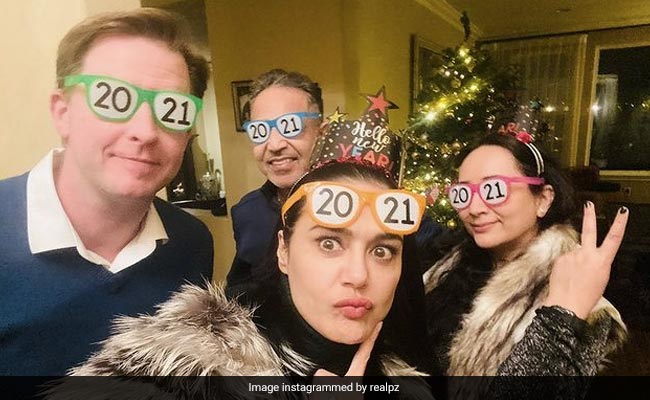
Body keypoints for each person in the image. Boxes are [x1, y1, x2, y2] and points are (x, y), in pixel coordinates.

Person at [60, 159, 433, 399]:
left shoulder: (405, 377)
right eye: (329, 243)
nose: (358, 275)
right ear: (283, 251)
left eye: (383, 251)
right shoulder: (180, 372)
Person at [0, 8, 213, 376]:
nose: (145, 132)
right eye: (114, 99)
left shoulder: (192, 243)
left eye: (172, 109)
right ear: (63, 112)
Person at [423, 133, 627, 379]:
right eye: (462, 193)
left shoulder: (581, 300)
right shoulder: (446, 266)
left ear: (543, 199)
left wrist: (561, 318)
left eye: (494, 190)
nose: (474, 209)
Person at [225, 69, 326, 299]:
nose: (275, 145)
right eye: (260, 131)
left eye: (290, 126)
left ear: (321, 134)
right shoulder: (247, 212)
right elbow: (239, 288)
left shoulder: (355, 205)